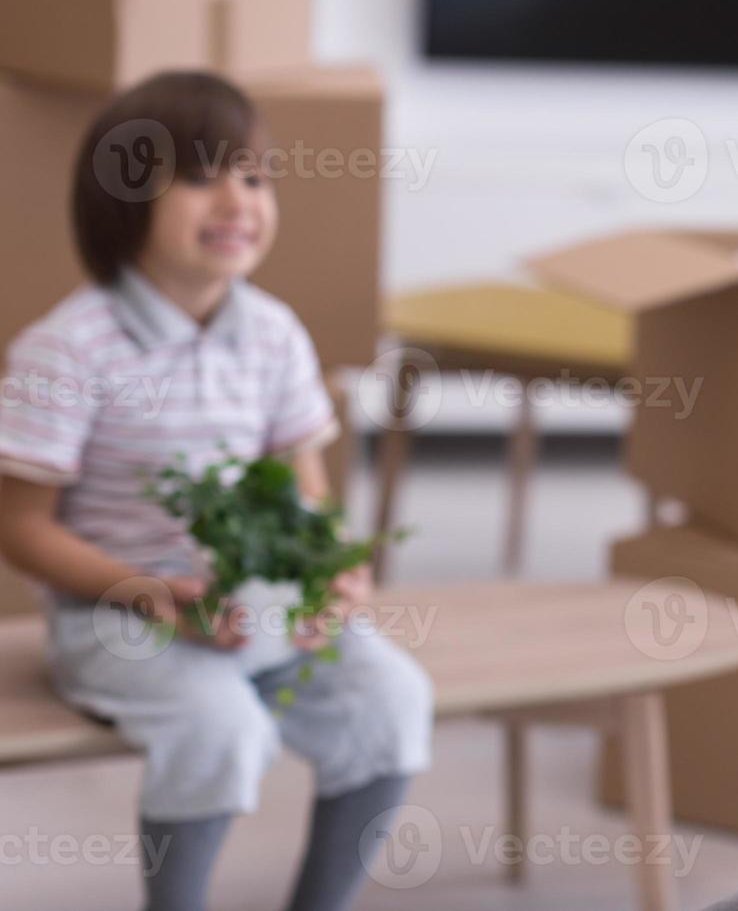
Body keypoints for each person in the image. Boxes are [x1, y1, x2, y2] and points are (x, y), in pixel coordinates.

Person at [0, 73, 433, 911]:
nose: (238, 199)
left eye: (255, 176)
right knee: (220, 730)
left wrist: (331, 569)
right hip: (118, 618)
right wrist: (149, 594)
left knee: (392, 701)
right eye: (202, 177)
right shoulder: (66, 349)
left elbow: (304, 484)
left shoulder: (272, 332)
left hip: (259, 605)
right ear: (123, 201)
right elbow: (19, 529)